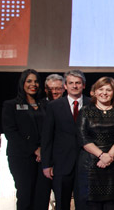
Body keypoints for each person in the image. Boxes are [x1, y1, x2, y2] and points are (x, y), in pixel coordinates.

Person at [2, 69, 52, 210]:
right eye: (29, 81)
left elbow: (50, 130)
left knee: (42, 196)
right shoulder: (11, 105)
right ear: (22, 83)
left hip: (43, 158)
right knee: (25, 194)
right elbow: (11, 132)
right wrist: (34, 150)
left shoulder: (46, 105)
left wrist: (43, 150)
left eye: (36, 81)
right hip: (21, 157)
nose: (33, 84)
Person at [76, 77, 114, 210]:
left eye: (108, 90)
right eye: (101, 89)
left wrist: (109, 156)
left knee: (112, 205)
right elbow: (83, 137)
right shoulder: (85, 110)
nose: (104, 93)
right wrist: (101, 155)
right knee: (91, 205)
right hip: (90, 166)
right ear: (94, 91)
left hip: (113, 165)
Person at [42, 69, 91, 210]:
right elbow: (47, 137)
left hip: (86, 163)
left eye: (78, 83)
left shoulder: (92, 104)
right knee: (62, 203)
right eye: (71, 83)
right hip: (61, 164)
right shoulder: (54, 106)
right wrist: (47, 164)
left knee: (85, 203)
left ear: (83, 85)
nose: (74, 86)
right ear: (65, 86)